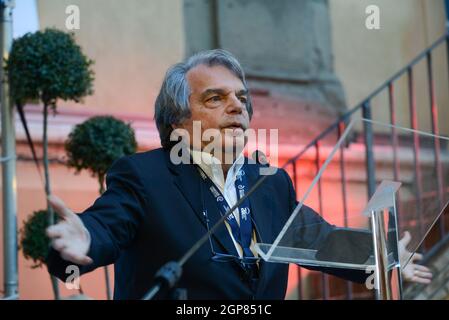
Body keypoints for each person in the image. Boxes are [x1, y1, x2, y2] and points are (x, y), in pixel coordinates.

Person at [46, 49, 432, 300]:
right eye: (216, 98)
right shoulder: (144, 176)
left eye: (242, 98)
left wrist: (384, 253)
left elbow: (318, 239)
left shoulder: (270, 182)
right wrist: (85, 237)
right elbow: (106, 226)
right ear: (179, 120)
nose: (237, 106)